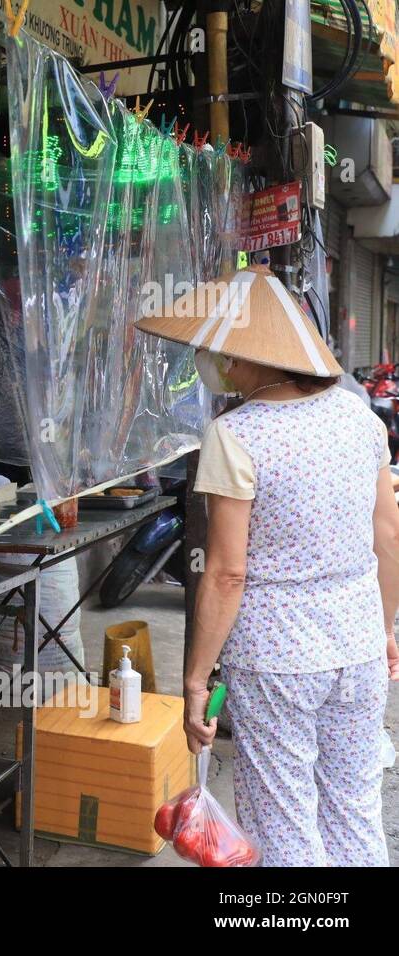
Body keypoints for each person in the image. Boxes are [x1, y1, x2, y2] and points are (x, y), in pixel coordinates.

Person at [137, 264, 399, 866]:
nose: (209, 357)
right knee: (355, 809)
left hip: (276, 659)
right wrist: (384, 628)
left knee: (282, 822)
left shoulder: (236, 434)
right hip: (357, 646)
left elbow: (227, 573)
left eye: (216, 347)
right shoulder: (360, 419)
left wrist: (197, 678)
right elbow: (389, 536)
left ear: (243, 357)